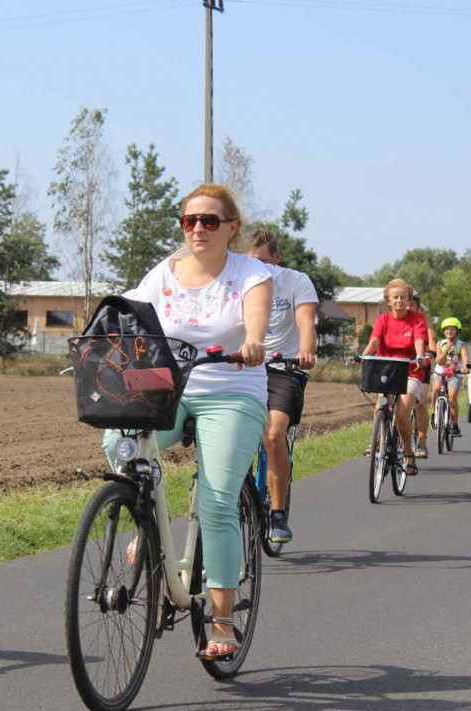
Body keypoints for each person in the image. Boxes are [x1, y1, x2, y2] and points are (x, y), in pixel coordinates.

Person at [105, 183, 272, 662]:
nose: (198, 228)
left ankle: (222, 619)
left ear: (231, 228)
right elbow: (128, 313)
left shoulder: (251, 274)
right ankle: (147, 521)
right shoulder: (165, 272)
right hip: (170, 387)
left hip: (231, 390)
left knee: (218, 502)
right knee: (118, 439)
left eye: (210, 221)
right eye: (189, 220)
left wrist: (255, 340)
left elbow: (255, 318)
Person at [246, 228, 318, 544]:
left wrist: (306, 350)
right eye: (252, 263)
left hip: (283, 368)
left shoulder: (295, 281)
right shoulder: (239, 282)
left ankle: (277, 511)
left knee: (274, 435)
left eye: (264, 262)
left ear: (277, 259)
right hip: (245, 367)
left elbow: (306, 321)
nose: (259, 269)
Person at [360, 278, 428, 476]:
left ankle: (408, 454)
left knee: (401, 414)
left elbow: (418, 340)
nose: (399, 301)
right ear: (388, 301)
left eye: (403, 298)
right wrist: (364, 356)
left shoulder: (417, 319)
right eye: (395, 298)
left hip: (410, 370)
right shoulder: (383, 320)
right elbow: (374, 341)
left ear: (409, 300)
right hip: (386, 371)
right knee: (381, 405)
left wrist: (419, 356)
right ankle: (379, 442)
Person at [432, 317, 470, 437]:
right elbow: (439, 361)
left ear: (457, 331)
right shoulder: (440, 344)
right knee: (435, 390)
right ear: (444, 332)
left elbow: (465, 357)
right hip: (440, 372)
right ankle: (435, 413)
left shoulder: (461, 345)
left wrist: (465, 367)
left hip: (454, 373)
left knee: (452, 397)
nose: (449, 332)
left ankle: (454, 424)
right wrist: (447, 348)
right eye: (447, 329)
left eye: (452, 329)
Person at [410, 291, 435, 458]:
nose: (408, 306)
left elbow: (431, 338)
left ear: (417, 305)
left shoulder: (425, 320)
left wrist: (431, 351)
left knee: (420, 403)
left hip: (421, 365)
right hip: (401, 364)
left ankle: (422, 440)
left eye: (412, 303)